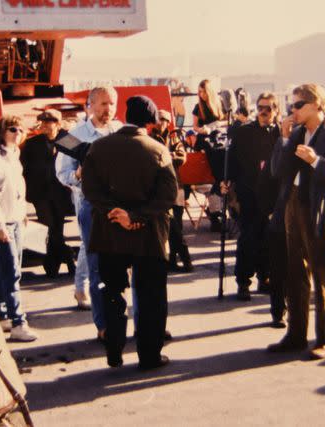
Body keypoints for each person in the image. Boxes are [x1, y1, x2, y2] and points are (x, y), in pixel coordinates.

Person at [83, 95, 177, 370]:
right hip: (148, 235)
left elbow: (90, 190)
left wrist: (117, 213)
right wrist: (135, 217)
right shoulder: (157, 149)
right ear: (150, 120)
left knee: (112, 293)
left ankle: (114, 350)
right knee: (150, 297)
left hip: (109, 233)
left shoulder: (98, 148)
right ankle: (149, 356)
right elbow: (168, 195)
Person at [267, 84, 325, 360]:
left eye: (299, 105)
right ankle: (296, 334)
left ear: (317, 104)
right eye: (292, 105)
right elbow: (277, 171)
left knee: (323, 275)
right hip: (294, 205)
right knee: (295, 274)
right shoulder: (297, 133)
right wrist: (283, 139)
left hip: (320, 209)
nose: (294, 110)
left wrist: (317, 162)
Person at [56, 86, 122, 339]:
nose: (109, 109)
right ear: (91, 105)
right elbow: (62, 173)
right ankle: (103, 325)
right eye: (104, 104)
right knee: (96, 266)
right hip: (90, 208)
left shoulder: (121, 131)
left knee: (119, 267)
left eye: (112, 104)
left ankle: (119, 317)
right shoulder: (73, 136)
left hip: (120, 207)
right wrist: (78, 175)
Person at [223, 92, 280, 301]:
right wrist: (226, 180)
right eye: (261, 107)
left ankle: (264, 278)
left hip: (273, 195)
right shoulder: (244, 132)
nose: (264, 112)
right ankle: (243, 282)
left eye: (269, 108)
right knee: (248, 238)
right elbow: (231, 159)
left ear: (276, 110)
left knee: (269, 238)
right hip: (249, 192)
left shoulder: (280, 133)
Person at [0, 116, 38, 342]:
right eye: (12, 129)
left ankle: (3, 313)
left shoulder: (14, 155)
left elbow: (17, 186)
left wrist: (23, 211)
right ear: (1, 131)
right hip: (3, 222)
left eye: (20, 129)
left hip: (15, 219)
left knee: (8, 272)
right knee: (12, 272)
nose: (17, 132)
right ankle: (18, 322)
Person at [21, 109, 75, 278]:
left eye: (48, 122)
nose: (44, 126)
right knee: (49, 227)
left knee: (56, 228)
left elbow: (81, 158)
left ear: (58, 124)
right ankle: (67, 259)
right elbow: (23, 168)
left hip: (61, 193)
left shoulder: (67, 139)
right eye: (42, 122)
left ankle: (52, 265)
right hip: (40, 193)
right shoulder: (32, 143)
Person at [152, 109, 192, 273]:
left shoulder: (175, 137)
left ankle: (185, 261)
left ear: (169, 122)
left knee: (177, 228)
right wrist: (169, 155)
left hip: (176, 188)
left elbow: (182, 157)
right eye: (159, 119)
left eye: (165, 120)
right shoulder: (150, 138)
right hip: (159, 189)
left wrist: (163, 155)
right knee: (168, 228)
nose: (162, 122)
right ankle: (175, 261)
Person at [192, 79, 226, 232]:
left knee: (220, 148)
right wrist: (204, 129)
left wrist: (215, 126)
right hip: (205, 138)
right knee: (211, 148)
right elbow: (195, 127)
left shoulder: (219, 104)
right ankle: (219, 177)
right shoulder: (197, 107)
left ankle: (220, 178)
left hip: (218, 135)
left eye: (203, 91)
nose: (201, 95)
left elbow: (226, 121)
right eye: (199, 92)